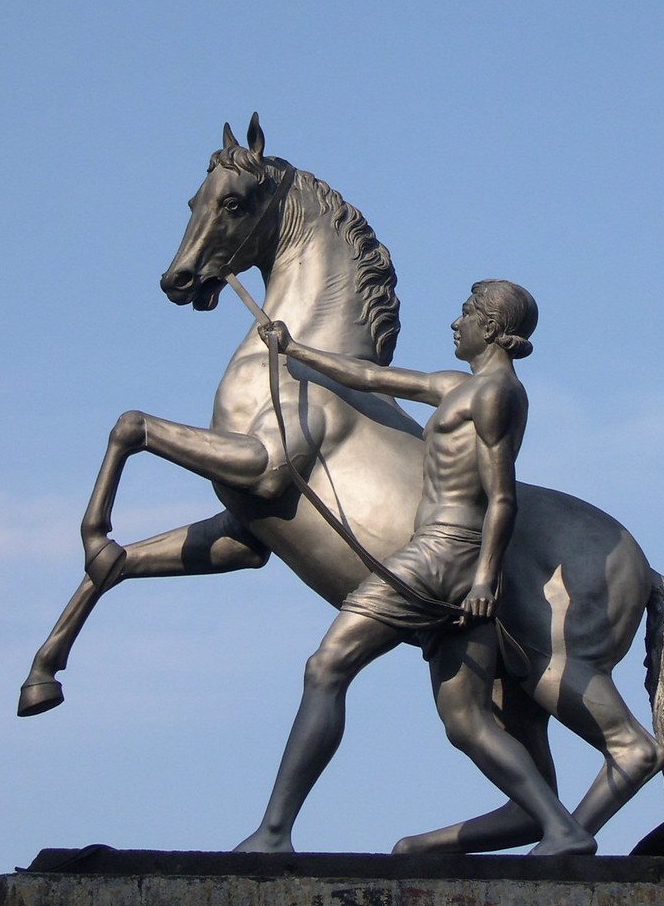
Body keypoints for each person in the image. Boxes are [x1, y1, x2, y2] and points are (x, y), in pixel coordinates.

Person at [235, 279, 596, 857]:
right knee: (468, 722)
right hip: (454, 559)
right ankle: (563, 827)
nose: (455, 323)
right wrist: (294, 349)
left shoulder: (495, 394)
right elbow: (373, 378)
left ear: (491, 327)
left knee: (326, 666)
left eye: (465, 313)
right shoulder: (459, 386)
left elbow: (502, 497)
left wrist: (483, 578)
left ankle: (274, 833)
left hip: (442, 555)